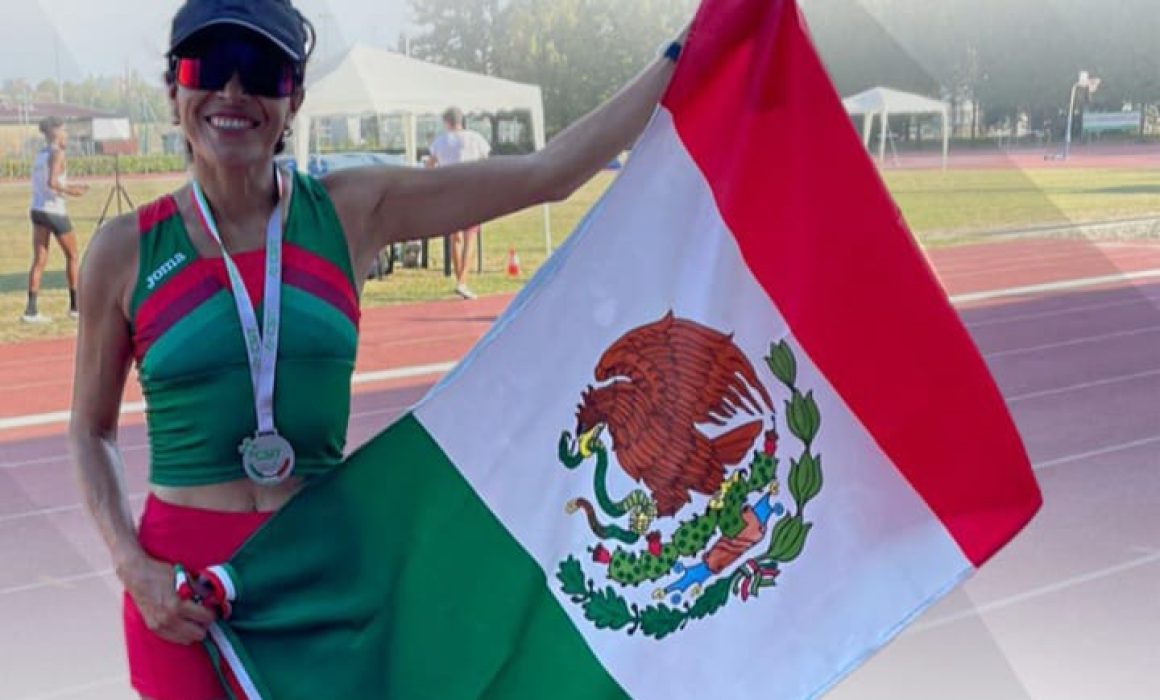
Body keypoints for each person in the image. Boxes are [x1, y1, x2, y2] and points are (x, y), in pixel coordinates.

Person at [68, 0, 687, 697]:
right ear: (175, 88)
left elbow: (551, 172)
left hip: (323, 576)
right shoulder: (125, 251)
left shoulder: (351, 210)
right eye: (208, 67)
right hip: (179, 594)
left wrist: (682, 52)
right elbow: (90, 431)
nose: (233, 92)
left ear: (293, 96)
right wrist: (130, 564)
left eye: (260, 71)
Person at [24, 116, 88, 323]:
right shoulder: (57, 153)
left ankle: (31, 310)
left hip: (37, 208)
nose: (67, 135)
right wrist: (74, 190)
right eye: (65, 131)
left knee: (39, 260)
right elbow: (53, 182)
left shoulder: (40, 155)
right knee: (73, 256)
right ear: (56, 133)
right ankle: (75, 307)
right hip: (54, 210)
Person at [426, 106, 492, 299]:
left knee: (455, 237)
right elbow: (485, 161)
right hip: (470, 190)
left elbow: (430, 164)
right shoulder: (475, 138)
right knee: (470, 236)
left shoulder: (440, 141)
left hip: (448, 191)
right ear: (461, 121)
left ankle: (460, 280)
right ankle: (463, 281)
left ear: (447, 122)